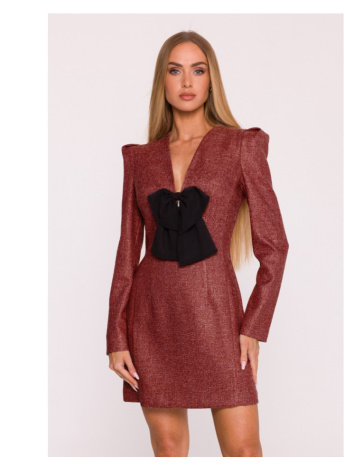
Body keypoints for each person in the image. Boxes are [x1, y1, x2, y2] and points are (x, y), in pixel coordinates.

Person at [106, 30, 289, 457]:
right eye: (175, 71)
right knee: (169, 451)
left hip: (217, 317)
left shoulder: (242, 146)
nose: (187, 82)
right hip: (151, 320)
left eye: (198, 70)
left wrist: (254, 326)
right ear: (162, 81)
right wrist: (116, 336)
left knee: (244, 451)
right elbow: (126, 253)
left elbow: (275, 246)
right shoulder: (140, 158)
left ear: (211, 80)